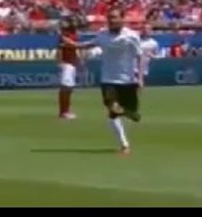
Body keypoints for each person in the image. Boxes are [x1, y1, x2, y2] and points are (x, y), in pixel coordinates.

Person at [73, 8, 144, 154]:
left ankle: (130, 113)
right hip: (108, 79)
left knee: (133, 114)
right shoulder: (103, 34)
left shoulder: (131, 36)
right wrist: (72, 44)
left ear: (122, 19)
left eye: (115, 17)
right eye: (110, 18)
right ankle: (124, 144)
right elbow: (90, 44)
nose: (112, 20)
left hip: (127, 80)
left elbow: (140, 56)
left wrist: (140, 77)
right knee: (112, 110)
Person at [57, 18, 81, 119]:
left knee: (69, 88)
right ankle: (63, 111)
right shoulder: (65, 34)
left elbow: (76, 49)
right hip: (66, 63)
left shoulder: (75, 34)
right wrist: (59, 61)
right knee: (65, 87)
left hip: (72, 63)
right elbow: (60, 48)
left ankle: (66, 110)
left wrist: (79, 60)